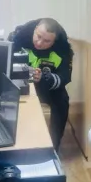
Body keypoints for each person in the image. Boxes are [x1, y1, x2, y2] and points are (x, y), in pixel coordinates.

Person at [9, 18, 73, 150]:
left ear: (54, 41)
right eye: (38, 36)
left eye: (47, 41)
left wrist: (45, 78)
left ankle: (53, 147)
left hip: (46, 86)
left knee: (62, 101)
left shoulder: (62, 50)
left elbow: (64, 77)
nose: (39, 43)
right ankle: (12, 141)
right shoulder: (18, 40)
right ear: (35, 29)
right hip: (19, 83)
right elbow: (6, 66)